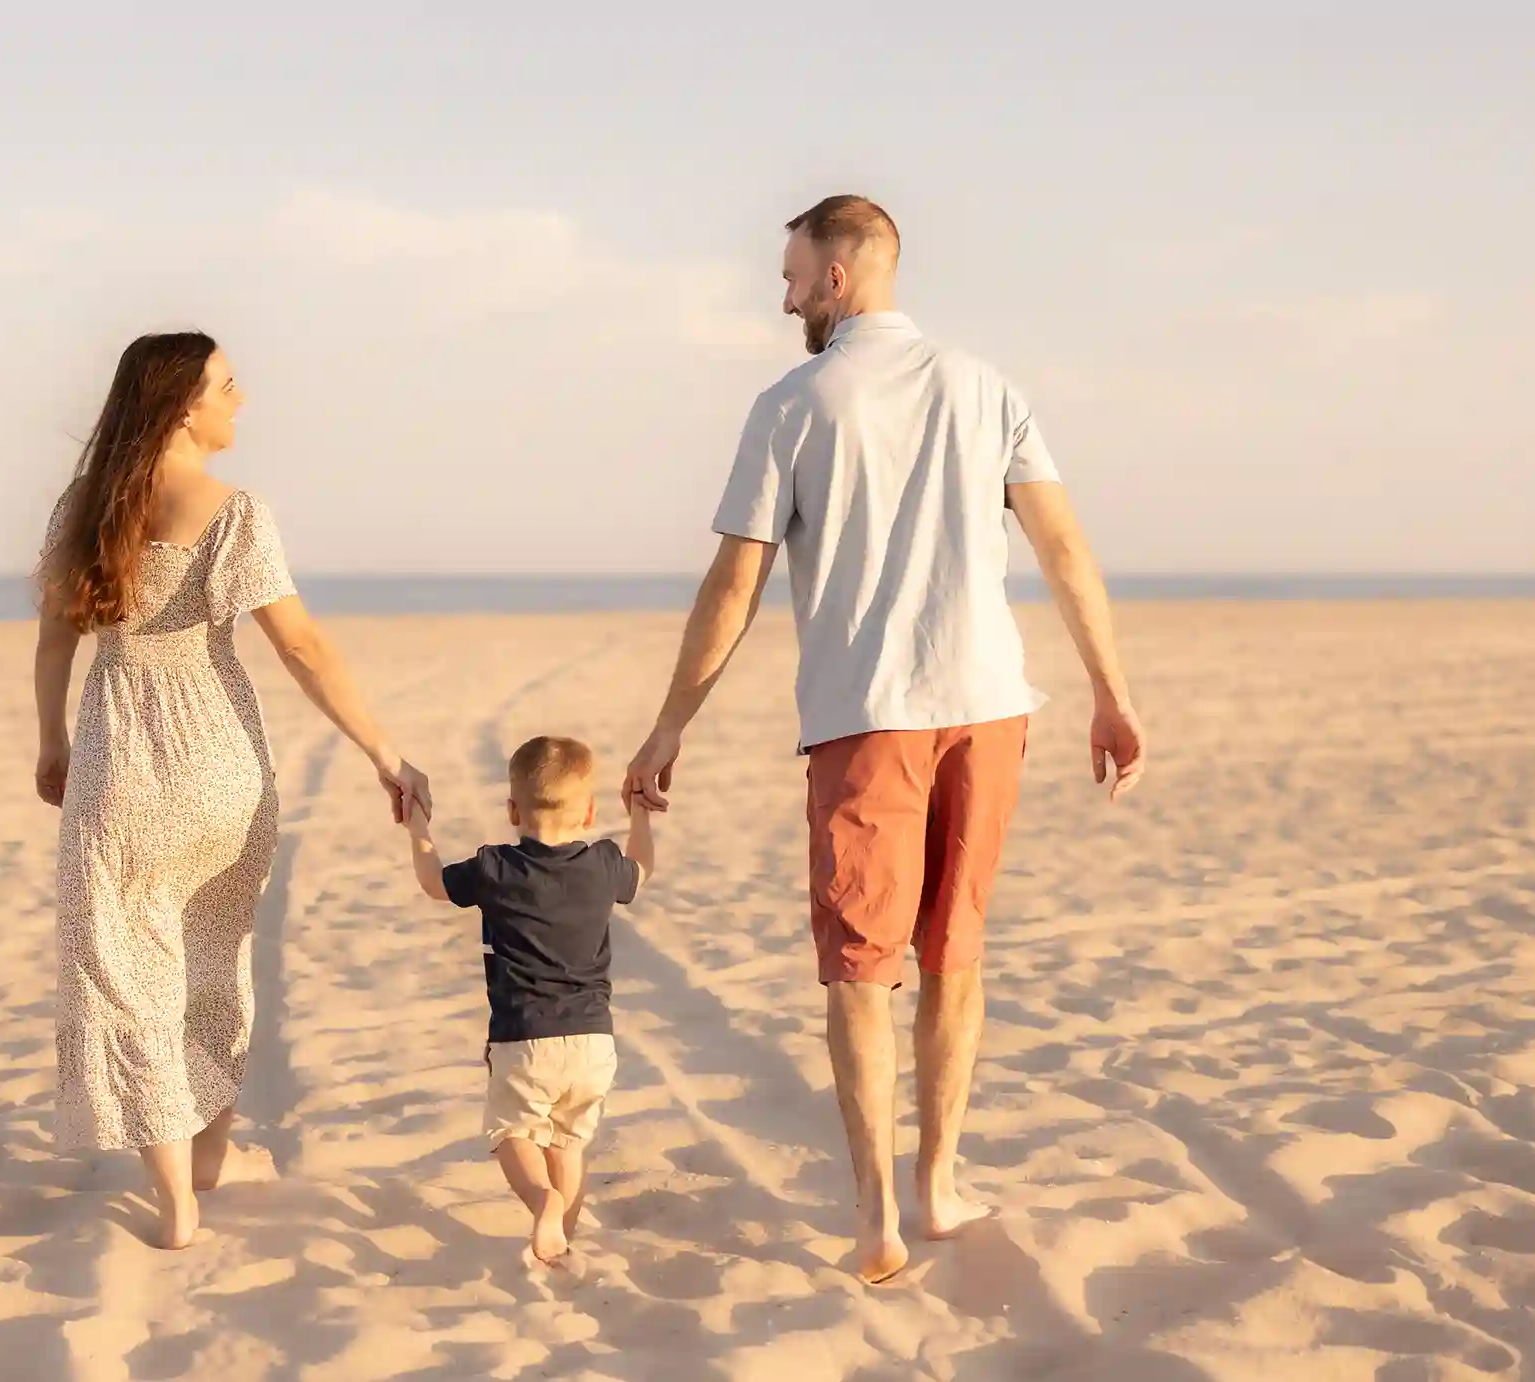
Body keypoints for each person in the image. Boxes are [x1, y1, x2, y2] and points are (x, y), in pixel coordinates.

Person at [623, 196, 1147, 1284]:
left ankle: (876, 1215)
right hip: (988, 705)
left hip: (866, 719)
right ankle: (940, 1184)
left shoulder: (793, 402)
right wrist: (1110, 690)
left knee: (862, 969)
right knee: (954, 948)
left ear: (837, 279)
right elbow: (1062, 545)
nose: (781, 296)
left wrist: (672, 722)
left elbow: (735, 580)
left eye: (790, 274)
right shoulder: (987, 384)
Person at [33, 331, 432, 1250]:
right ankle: (209, 1156)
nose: (241, 399)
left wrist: (51, 741)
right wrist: (381, 750)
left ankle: (178, 1200)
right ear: (181, 405)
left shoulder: (84, 508)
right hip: (219, 769)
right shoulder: (234, 513)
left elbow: (56, 641)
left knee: (126, 978)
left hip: (118, 764)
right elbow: (301, 647)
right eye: (226, 384)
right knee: (215, 961)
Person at [404, 736, 653, 1264]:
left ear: (513, 810)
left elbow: (432, 882)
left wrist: (418, 828)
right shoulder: (605, 864)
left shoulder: (495, 868)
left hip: (523, 1038)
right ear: (589, 812)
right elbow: (642, 870)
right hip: (593, 1041)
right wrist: (641, 819)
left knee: (512, 1130)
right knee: (569, 1142)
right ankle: (562, 1235)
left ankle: (542, 1203)